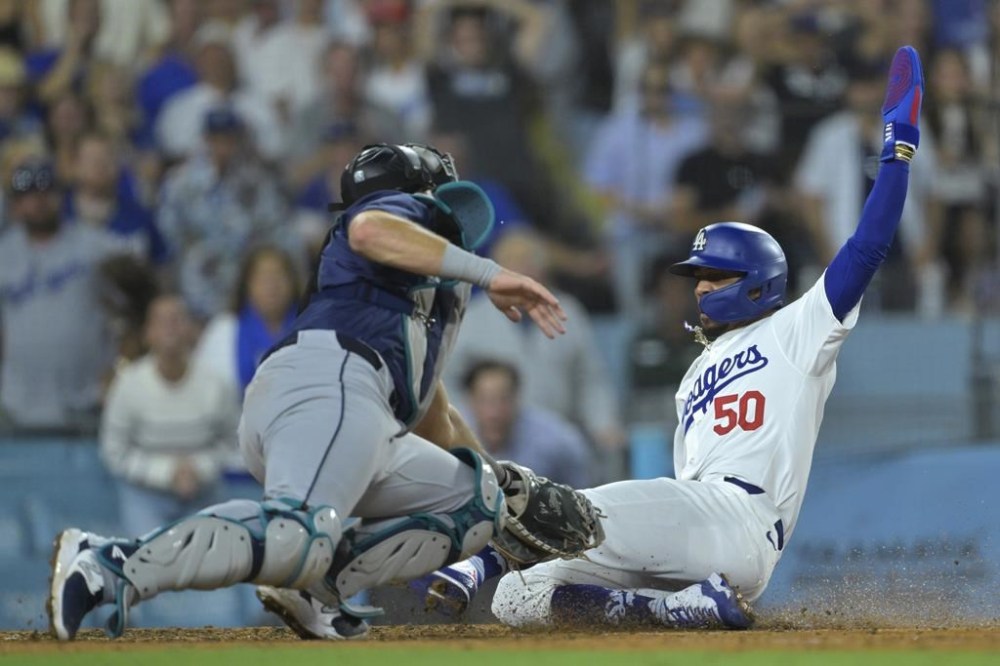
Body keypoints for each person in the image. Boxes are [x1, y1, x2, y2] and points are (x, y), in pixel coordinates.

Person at [414, 46, 926, 630]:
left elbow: (866, 248)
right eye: (697, 276)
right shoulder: (693, 376)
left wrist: (898, 150)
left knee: (583, 510)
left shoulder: (796, 329)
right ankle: (676, 608)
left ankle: (476, 560)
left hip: (735, 515)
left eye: (714, 275)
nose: (700, 287)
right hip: (693, 536)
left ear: (757, 285)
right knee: (519, 598)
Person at [47, 141, 584, 642]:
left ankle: (314, 587)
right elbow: (372, 230)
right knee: (293, 537)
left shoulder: (424, 298)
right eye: (434, 198)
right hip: (332, 382)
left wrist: (501, 488)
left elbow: (433, 418)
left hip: (353, 410)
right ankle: (110, 563)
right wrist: (489, 272)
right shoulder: (378, 220)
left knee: (473, 502)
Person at [101, 294, 239, 535]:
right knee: (148, 567)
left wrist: (199, 468)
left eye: (177, 320)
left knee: (214, 568)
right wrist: (167, 473)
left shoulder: (217, 384)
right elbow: (114, 451)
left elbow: (233, 441)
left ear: (191, 329)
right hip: (145, 497)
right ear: (148, 333)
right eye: (161, 322)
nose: (170, 329)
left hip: (205, 494)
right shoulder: (128, 386)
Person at [461, 359, 592, 489]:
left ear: (516, 398)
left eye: (503, 399)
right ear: (469, 400)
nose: (494, 413)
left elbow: (583, 495)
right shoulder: (453, 442)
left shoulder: (559, 444)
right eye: (485, 400)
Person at [195, 244, 302, 398]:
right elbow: (206, 394)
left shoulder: (314, 329)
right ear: (247, 285)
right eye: (263, 278)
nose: (272, 285)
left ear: (293, 282)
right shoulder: (223, 331)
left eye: (279, 275)